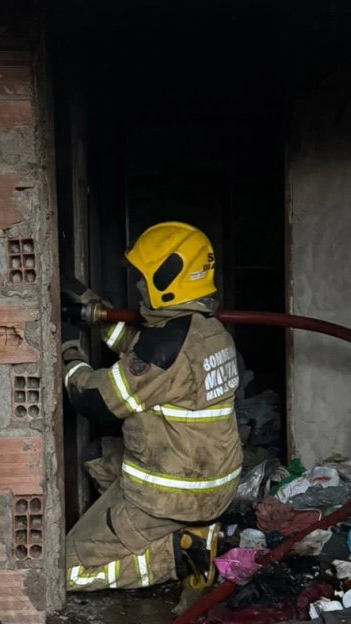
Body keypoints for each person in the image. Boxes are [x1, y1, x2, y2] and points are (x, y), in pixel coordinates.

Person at [60, 221, 242, 592]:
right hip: (210, 485)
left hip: (173, 494)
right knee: (98, 455)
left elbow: (96, 401)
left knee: (64, 572)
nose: (140, 286)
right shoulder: (208, 332)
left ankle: (175, 554)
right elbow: (139, 351)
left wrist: (68, 354)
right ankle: (187, 531)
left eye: (144, 276)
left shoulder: (168, 347)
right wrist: (94, 312)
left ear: (168, 278)